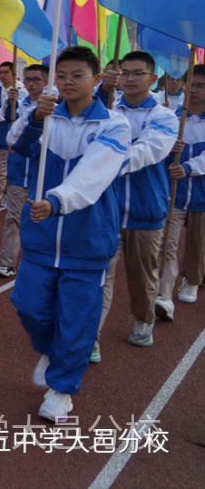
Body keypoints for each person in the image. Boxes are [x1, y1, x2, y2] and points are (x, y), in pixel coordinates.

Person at [10, 46, 130, 422]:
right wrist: (34, 120)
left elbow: (94, 172)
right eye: (61, 76)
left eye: (77, 75)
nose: (67, 82)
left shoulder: (114, 125)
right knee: (29, 306)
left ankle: (61, 390)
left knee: (77, 320)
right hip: (42, 236)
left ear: (96, 80)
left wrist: (58, 201)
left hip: (87, 238)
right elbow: (16, 145)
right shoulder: (46, 115)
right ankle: (50, 351)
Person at [95, 51, 179, 349]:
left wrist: (105, 161)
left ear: (153, 78)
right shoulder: (106, 110)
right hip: (107, 210)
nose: (129, 79)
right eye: (124, 73)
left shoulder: (164, 116)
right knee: (99, 275)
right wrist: (102, 90)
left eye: (137, 73)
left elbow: (148, 152)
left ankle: (143, 318)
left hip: (146, 210)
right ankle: (90, 337)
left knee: (142, 277)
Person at [0, 63, 49, 278]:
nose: (32, 84)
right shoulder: (18, 103)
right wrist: (10, 103)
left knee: (42, 220)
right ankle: (7, 262)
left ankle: (41, 261)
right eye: (28, 79)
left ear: (46, 82)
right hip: (18, 171)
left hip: (43, 174)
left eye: (37, 79)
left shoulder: (55, 106)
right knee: (14, 218)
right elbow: (4, 121)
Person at [163, 64, 205, 308]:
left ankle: (191, 280)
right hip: (174, 192)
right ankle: (164, 292)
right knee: (167, 242)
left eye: (201, 86)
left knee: (198, 244)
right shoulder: (172, 117)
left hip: (201, 193)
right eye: (192, 84)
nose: (194, 90)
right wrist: (169, 150)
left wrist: (189, 168)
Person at [0, 61, 23, 218]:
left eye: (6, 72)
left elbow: (19, 114)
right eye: (0, 72)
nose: (2, 75)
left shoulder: (20, 91)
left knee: (1, 172)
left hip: (6, 138)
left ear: (14, 73)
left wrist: (14, 102)